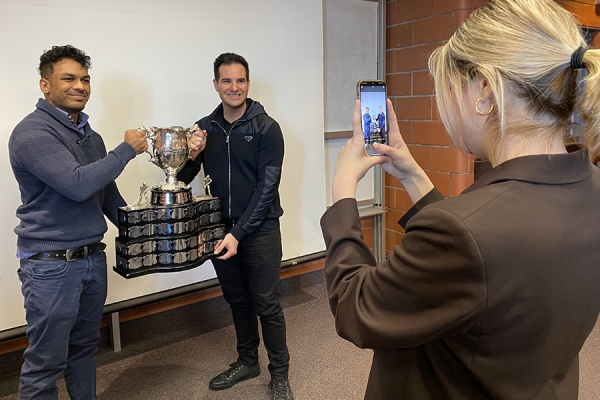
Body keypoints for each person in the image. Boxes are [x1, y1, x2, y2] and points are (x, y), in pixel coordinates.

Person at [320, 0, 600, 399]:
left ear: (484, 89)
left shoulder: (464, 233)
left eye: (448, 88)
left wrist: (342, 192)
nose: (444, 105)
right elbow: (486, 271)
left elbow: (356, 308)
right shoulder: (589, 186)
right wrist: (411, 172)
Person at [8, 45, 147, 399]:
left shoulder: (90, 136)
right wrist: (126, 150)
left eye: (84, 79)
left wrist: (151, 231)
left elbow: (106, 196)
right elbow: (76, 184)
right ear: (45, 84)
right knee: (46, 363)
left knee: (84, 349)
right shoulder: (32, 134)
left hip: (90, 259)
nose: (80, 86)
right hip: (51, 267)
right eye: (68, 78)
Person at [179, 52, 293, 400]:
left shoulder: (266, 128)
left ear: (248, 83)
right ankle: (247, 362)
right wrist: (191, 155)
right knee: (237, 300)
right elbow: (182, 179)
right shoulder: (204, 128)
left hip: (258, 229)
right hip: (219, 229)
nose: (234, 87)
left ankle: (280, 374)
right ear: (216, 85)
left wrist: (238, 233)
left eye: (240, 80)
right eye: (226, 81)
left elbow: (266, 188)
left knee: (266, 302)